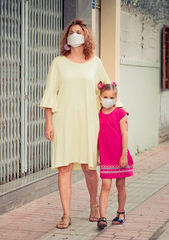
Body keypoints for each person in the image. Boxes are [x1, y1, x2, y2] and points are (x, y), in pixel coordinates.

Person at [40, 18, 122, 229]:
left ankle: (94, 205)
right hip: (64, 121)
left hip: (89, 121)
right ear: (67, 37)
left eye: (79, 31)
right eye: (71, 31)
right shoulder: (58, 63)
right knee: (64, 167)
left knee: (89, 167)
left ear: (86, 37)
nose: (74, 34)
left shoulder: (96, 62)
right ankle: (66, 214)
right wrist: (49, 123)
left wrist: (120, 110)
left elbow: (107, 89)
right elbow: (51, 94)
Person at [96, 82, 133, 229]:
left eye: (111, 97)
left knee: (120, 185)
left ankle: (121, 212)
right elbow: (97, 137)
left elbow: (124, 134)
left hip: (119, 155)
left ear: (116, 99)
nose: (108, 99)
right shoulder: (97, 115)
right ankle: (102, 217)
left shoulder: (120, 113)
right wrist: (97, 154)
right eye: (105, 96)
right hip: (106, 156)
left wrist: (124, 155)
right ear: (100, 98)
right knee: (105, 185)